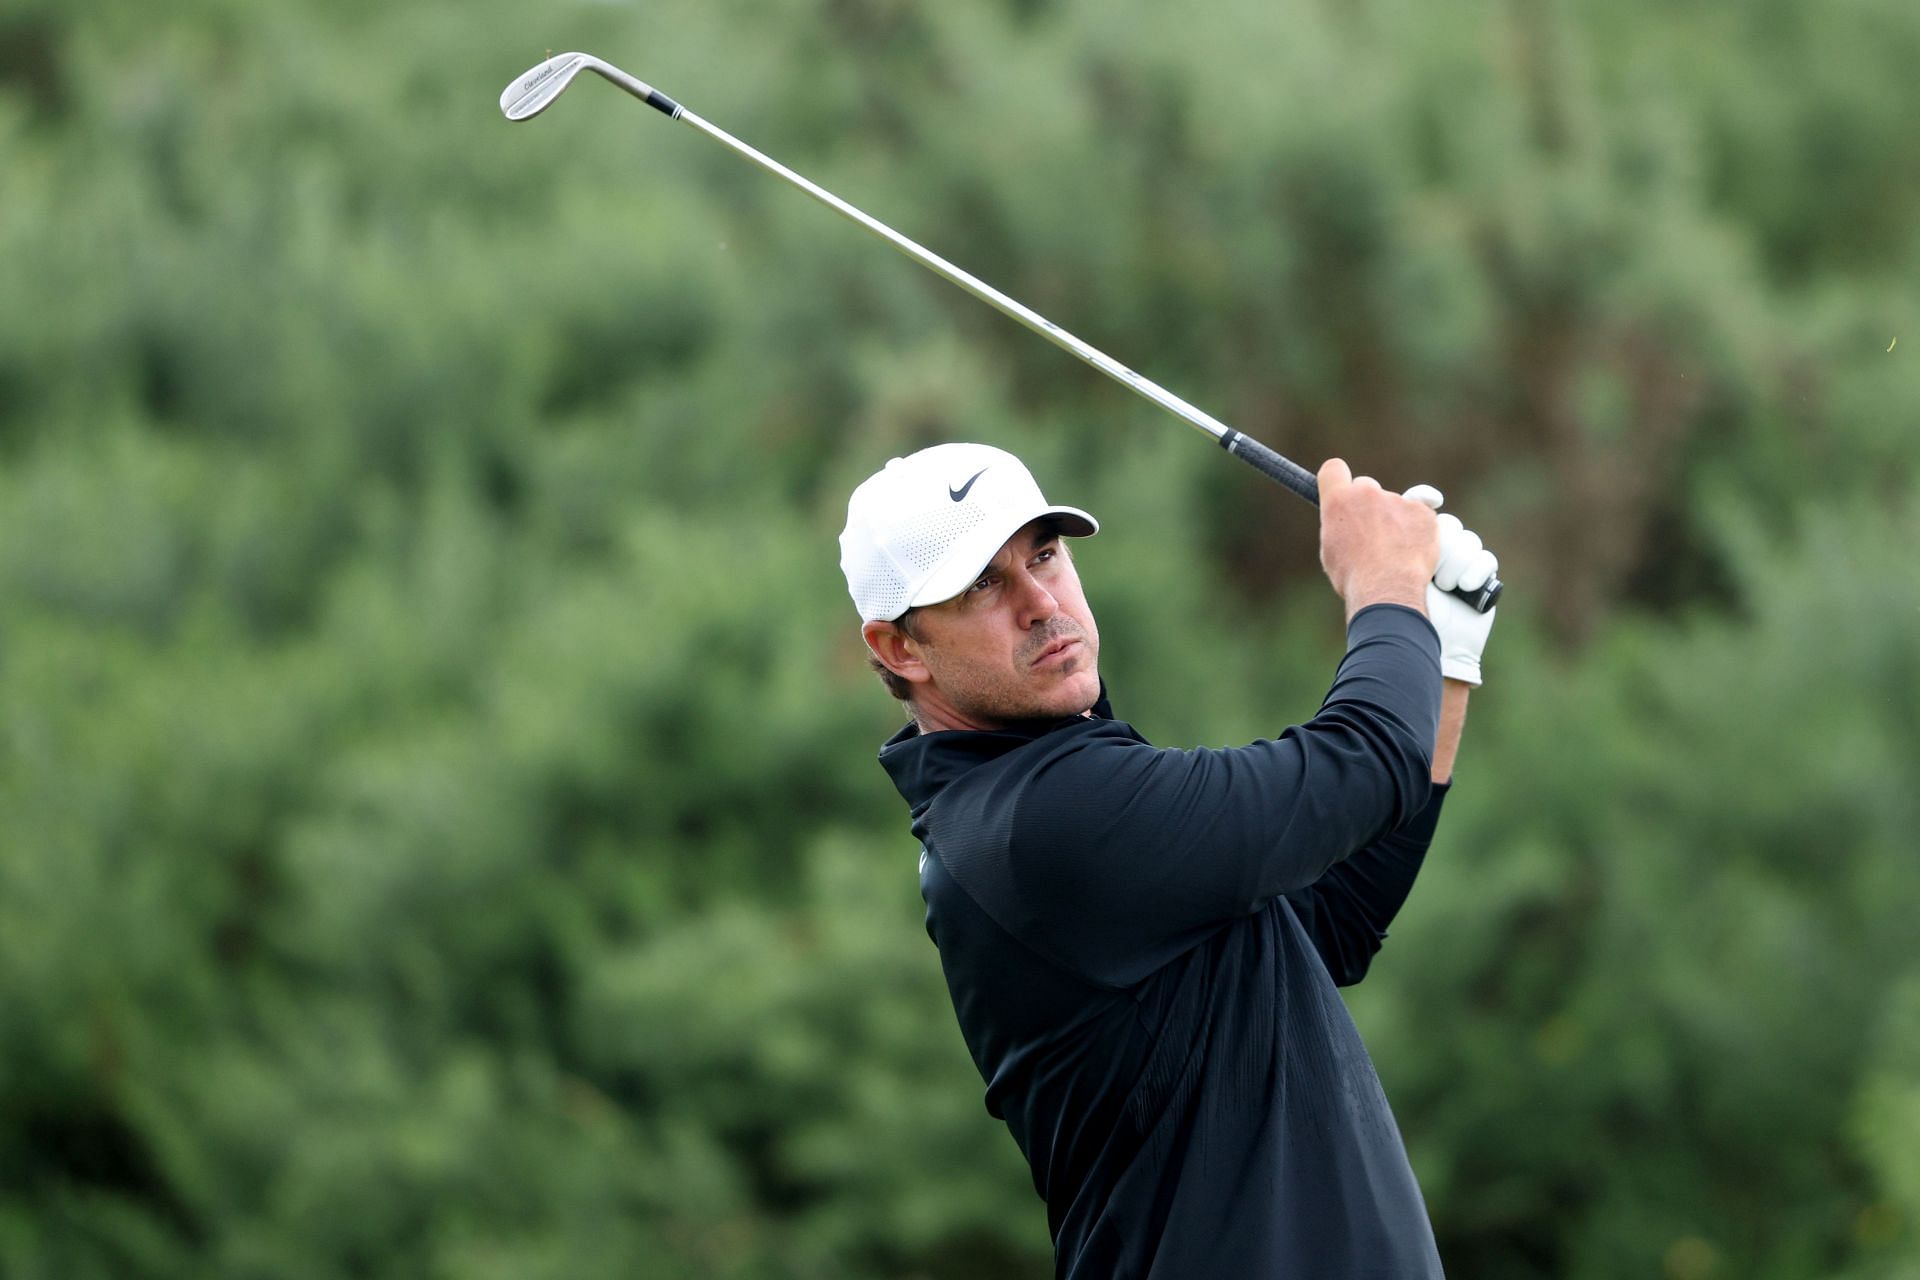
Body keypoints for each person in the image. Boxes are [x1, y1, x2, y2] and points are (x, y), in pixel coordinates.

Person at [838, 442, 1498, 1278]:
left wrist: (1444, 656)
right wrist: (1387, 588)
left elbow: (1333, 924)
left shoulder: (1054, 797)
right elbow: (1363, 764)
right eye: (981, 585)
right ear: (901, 650)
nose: (1041, 602)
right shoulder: (1034, 822)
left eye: (1044, 556)